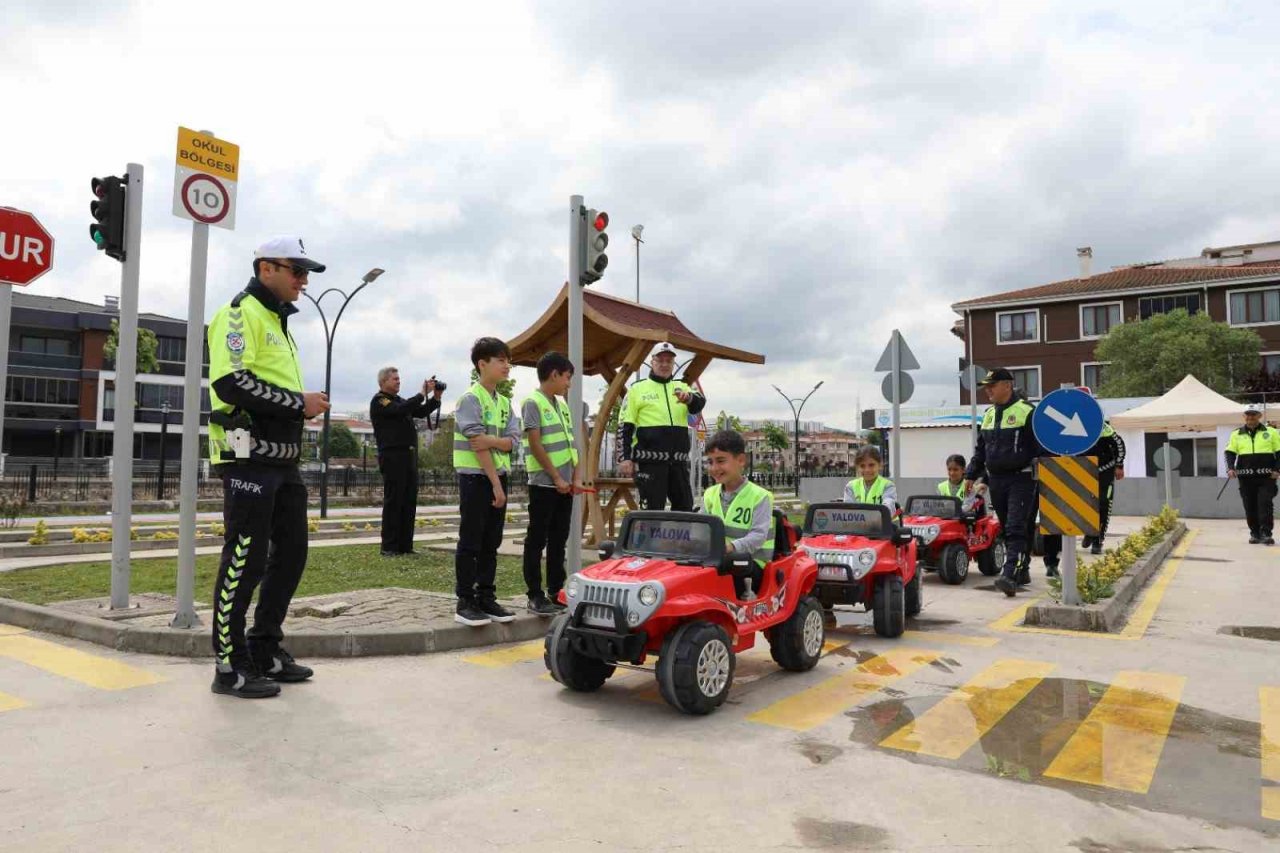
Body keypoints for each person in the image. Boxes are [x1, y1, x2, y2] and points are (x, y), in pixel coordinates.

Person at [206, 236, 330, 699]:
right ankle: (229, 664)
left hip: (282, 460)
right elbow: (231, 382)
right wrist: (300, 404)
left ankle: (264, 646)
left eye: (306, 273)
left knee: (292, 553)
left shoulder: (276, 321)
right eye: (296, 271)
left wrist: (298, 407)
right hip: (244, 455)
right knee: (244, 558)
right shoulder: (238, 314)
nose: (303, 281)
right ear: (266, 269)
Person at [452, 337, 523, 626]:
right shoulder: (470, 398)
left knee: (491, 542)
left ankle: (486, 597)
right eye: (500, 360)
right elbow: (476, 445)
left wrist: (495, 441)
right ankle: (465, 601)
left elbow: (513, 442)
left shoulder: (505, 402)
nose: (507, 365)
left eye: (508, 360)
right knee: (471, 541)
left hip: (498, 478)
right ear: (482, 364)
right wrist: (495, 483)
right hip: (476, 479)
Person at [964, 368, 1040, 597]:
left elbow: (1040, 447)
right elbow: (981, 450)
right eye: (986, 386)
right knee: (1008, 528)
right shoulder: (987, 415)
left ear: (1007, 385)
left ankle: (1008, 575)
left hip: (1022, 478)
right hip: (997, 480)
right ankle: (1022, 568)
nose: (987, 390)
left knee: (1016, 527)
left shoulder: (1027, 412)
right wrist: (971, 474)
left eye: (992, 385)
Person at [520, 352, 581, 616]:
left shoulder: (561, 405)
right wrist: (556, 477)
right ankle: (534, 594)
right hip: (545, 484)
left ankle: (556, 591)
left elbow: (570, 443)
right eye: (567, 377)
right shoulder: (532, 402)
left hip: (565, 486)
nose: (569, 384)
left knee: (559, 539)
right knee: (537, 539)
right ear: (554, 374)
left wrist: (575, 477)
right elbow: (535, 444)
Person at [619, 342, 707, 511]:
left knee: (685, 509)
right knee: (652, 511)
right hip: (650, 463)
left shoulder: (681, 387)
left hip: (679, 463)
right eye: (660, 360)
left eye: (669, 361)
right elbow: (625, 426)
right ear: (652, 362)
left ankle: (678, 539)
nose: (665, 364)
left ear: (674, 364)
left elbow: (699, 403)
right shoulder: (637, 389)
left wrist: (688, 399)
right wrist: (625, 458)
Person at [370, 367, 442, 557]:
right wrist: (421, 393)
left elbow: (419, 411)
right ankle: (389, 546)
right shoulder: (380, 400)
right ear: (383, 382)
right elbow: (401, 410)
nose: (398, 382)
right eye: (395, 379)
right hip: (392, 456)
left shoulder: (400, 401)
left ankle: (405, 546)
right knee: (394, 501)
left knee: (408, 500)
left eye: (399, 378)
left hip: (408, 456)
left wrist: (435, 397)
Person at [702, 429, 774, 599]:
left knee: (722, 573)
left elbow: (758, 536)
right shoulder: (709, 494)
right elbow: (701, 528)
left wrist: (731, 547)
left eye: (721, 461)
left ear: (741, 460)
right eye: (710, 462)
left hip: (751, 563)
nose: (714, 468)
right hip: (717, 559)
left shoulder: (760, 496)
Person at [1225, 403, 1279, 545]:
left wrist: (1277, 470)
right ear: (1244, 417)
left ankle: (1266, 533)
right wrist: (1230, 468)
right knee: (1250, 505)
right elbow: (1230, 452)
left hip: (1267, 477)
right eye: (1248, 415)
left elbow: (1279, 452)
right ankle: (1254, 533)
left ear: (1259, 416)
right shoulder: (1236, 434)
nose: (1251, 417)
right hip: (1246, 477)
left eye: (1254, 414)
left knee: (1265, 504)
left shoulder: (1271, 432)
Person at [843, 446, 898, 516]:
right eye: (862, 466)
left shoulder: (888, 486)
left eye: (871, 465)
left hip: (885, 526)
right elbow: (847, 512)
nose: (867, 470)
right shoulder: (850, 486)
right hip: (858, 526)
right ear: (857, 467)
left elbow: (887, 510)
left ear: (880, 465)